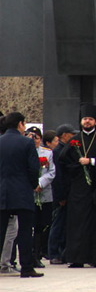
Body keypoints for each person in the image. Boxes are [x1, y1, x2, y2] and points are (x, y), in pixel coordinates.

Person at [59, 103, 96, 268]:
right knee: (77, 222)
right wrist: (77, 166)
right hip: (78, 188)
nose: (87, 122)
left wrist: (91, 161)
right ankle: (76, 258)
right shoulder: (75, 140)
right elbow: (64, 161)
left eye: (90, 119)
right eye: (85, 119)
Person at [0, 112, 43, 278]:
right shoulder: (27, 142)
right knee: (25, 231)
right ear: (20, 124)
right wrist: (33, 185)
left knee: (1, 230)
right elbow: (34, 168)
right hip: (22, 191)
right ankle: (27, 267)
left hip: (2, 192)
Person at [48, 124, 77, 265]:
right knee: (58, 224)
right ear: (64, 135)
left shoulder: (64, 149)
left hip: (66, 192)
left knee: (63, 224)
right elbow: (57, 177)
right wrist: (61, 197)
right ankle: (53, 253)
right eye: (71, 134)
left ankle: (61, 252)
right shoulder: (58, 151)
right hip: (61, 194)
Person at [33, 130, 56, 267]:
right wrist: (32, 183)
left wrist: (40, 183)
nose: (34, 140)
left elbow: (51, 171)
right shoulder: (24, 150)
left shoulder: (47, 153)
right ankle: (32, 254)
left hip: (44, 192)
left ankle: (38, 253)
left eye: (37, 138)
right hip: (29, 193)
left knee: (42, 225)